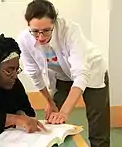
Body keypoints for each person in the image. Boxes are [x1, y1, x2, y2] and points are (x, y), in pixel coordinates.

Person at [16, 0, 110, 147]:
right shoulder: (24, 40)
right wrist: (50, 102)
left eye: (46, 30)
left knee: (97, 123)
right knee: (53, 119)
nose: (40, 37)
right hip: (62, 75)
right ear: (28, 25)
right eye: (35, 31)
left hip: (91, 71)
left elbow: (81, 74)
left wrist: (64, 113)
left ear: (54, 23)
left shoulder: (70, 30)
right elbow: (34, 74)